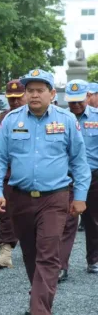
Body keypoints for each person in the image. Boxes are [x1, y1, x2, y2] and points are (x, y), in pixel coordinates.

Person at [0, 69, 90, 315]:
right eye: (29, 90)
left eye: (39, 89)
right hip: (19, 199)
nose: (33, 94)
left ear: (52, 94)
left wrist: (79, 197)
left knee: (48, 252)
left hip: (54, 198)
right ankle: (38, 294)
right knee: (31, 253)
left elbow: (79, 162)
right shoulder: (11, 121)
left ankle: (41, 312)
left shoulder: (66, 121)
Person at [64, 80, 98, 275]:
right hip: (67, 178)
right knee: (64, 222)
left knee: (93, 220)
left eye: (79, 100)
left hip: (93, 176)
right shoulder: (60, 118)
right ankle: (60, 266)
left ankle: (93, 260)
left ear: (87, 96)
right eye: (71, 101)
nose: (75, 105)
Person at [0, 80, 25, 270]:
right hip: (7, 175)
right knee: (4, 213)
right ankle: (5, 253)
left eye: (18, 98)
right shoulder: (2, 117)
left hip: (29, 177)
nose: (14, 102)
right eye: (11, 98)